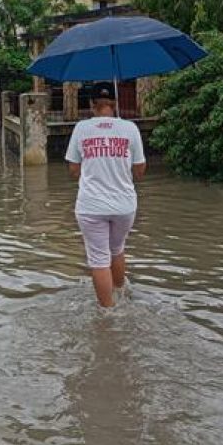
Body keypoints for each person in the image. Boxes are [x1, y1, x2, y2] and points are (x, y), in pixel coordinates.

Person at [64, 82, 146, 307]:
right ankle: (120, 293)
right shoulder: (130, 128)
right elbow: (140, 170)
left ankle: (107, 314)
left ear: (92, 105)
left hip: (91, 205)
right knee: (117, 249)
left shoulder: (81, 128)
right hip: (124, 205)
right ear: (115, 103)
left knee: (99, 259)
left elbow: (73, 169)